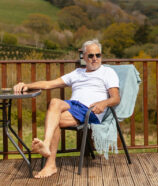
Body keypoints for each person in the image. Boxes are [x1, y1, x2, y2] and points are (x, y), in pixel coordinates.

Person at [13, 39, 120, 178]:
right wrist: (27, 85)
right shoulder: (77, 73)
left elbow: (116, 98)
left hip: (90, 110)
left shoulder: (108, 72)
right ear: (84, 56)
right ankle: (46, 148)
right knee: (54, 102)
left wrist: (104, 103)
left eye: (98, 55)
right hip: (74, 105)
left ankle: (50, 163)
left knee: (54, 119)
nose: (95, 59)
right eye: (91, 55)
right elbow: (48, 84)